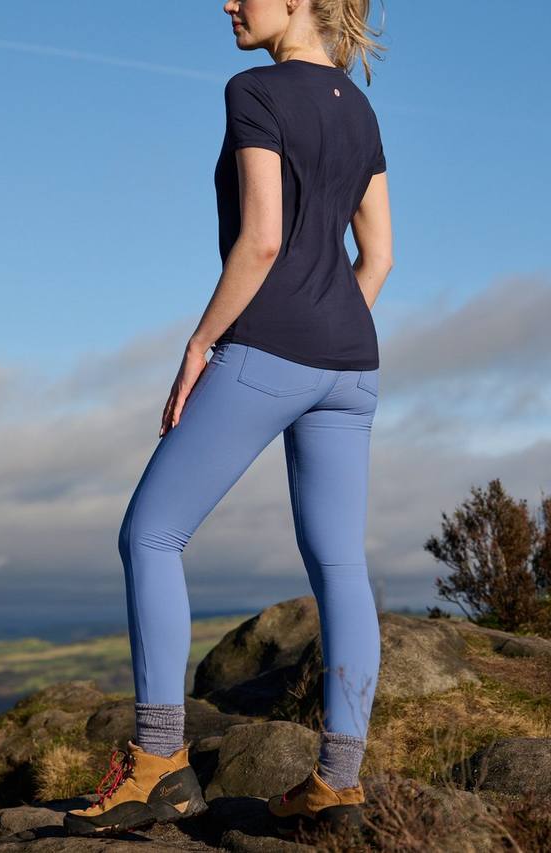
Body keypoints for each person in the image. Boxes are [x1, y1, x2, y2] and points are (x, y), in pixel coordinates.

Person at [64, 0, 392, 839]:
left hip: (267, 346)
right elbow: (381, 255)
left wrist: (200, 344)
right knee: (339, 566)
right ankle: (338, 782)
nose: (229, 4)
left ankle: (157, 762)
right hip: (353, 363)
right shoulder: (360, 109)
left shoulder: (255, 90)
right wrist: (328, 331)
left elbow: (262, 239)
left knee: (150, 535)